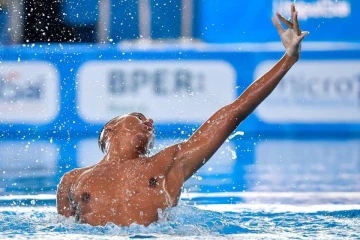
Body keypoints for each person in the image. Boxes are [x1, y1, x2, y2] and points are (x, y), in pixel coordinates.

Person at [56, 4, 308, 227]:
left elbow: (234, 112)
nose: (149, 122)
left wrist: (288, 59)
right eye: (139, 117)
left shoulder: (168, 164)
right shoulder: (73, 180)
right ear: (110, 128)